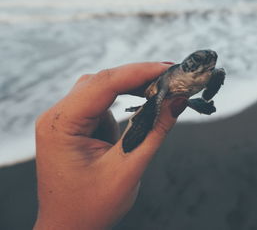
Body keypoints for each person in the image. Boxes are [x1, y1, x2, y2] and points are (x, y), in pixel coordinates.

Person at [34, 62, 187, 229]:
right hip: (160, 93)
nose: (204, 64)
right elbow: (159, 93)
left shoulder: (207, 73)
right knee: (148, 118)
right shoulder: (173, 77)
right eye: (194, 62)